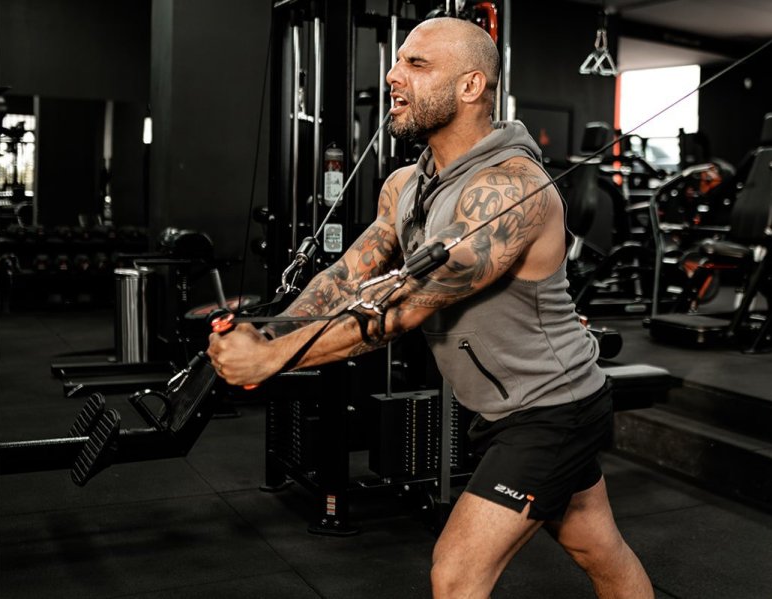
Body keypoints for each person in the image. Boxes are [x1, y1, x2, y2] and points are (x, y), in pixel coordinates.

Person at [207, 16, 653, 599]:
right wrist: (270, 333)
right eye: (397, 62)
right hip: (501, 408)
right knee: (599, 549)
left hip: (553, 408)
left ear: (470, 86)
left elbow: (408, 308)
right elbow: (347, 276)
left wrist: (274, 360)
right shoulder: (406, 185)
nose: (393, 75)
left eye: (416, 64)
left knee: (456, 574)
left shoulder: (513, 189)